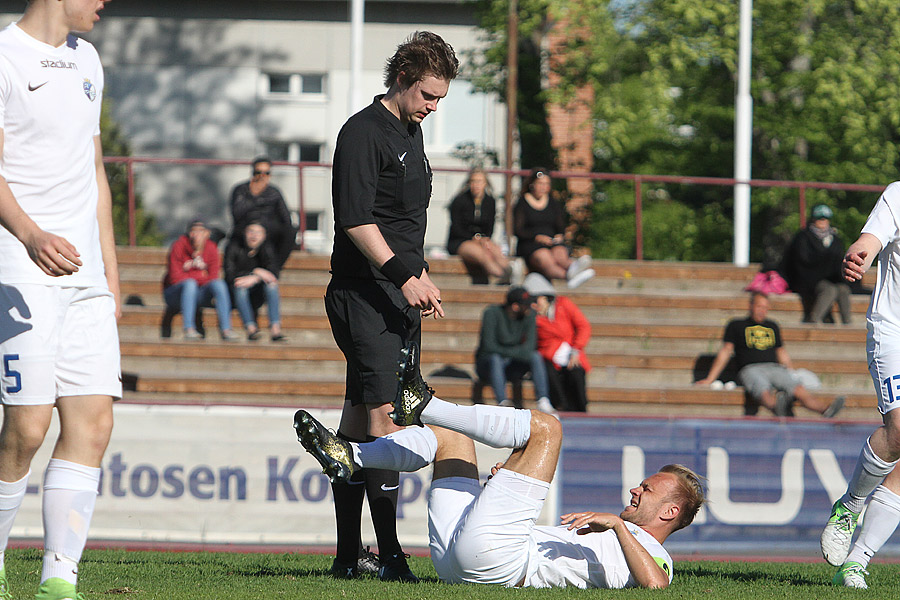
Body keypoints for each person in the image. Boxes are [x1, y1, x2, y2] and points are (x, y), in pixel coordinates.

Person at [294, 342, 705, 589]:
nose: (635, 490)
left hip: (502, 563)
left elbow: (656, 584)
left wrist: (617, 526)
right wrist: (502, 479)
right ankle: (354, 457)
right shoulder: (627, 540)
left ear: (671, 512)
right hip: (463, 561)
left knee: (549, 429)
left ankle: (427, 405)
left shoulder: (653, 553)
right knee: (452, 440)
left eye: (647, 490)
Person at [323, 31, 458, 582]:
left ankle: (348, 556)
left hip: (397, 293)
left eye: (440, 99)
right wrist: (404, 275)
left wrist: (419, 272)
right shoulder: (361, 132)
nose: (432, 107)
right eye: (428, 96)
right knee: (386, 420)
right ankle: (392, 556)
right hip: (365, 293)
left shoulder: (410, 130)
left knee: (358, 422)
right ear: (402, 79)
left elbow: (404, 223)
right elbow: (355, 218)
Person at [0, 1, 120, 598]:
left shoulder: (88, 58)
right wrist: (30, 234)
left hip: (86, 279)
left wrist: (111, 274)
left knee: (94, 424)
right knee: (26, 428)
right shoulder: (3, 57)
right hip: (19, 271)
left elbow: (95, 169)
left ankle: (58, 579)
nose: (103, 3)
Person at [820, 182, 900, 589]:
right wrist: (861, 255)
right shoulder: (899, 195)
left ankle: (856, 562)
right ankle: (850, 506)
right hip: (894, 331)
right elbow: (871, 237)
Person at [695, 292, 844, 418]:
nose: (762, 311)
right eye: (759, 306)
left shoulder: (772, 326)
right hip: (750, 368)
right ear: (751, 306)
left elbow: (780, 351)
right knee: (763, 390)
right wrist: (710, 379)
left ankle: (825, 410)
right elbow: (726, 351)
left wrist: (790, 371)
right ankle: (777, 408)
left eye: (765, 308)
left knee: (797, 389)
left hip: (774, 368)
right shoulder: (736, 325)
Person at [474, 286, 554, 414]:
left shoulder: (529, 315)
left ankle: (543, 400)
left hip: (513, 364)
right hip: (488, 366)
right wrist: (518, 352)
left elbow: (529, 348)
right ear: (515, 306)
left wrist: (509, 352)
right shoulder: (492, 313)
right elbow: (488, 347)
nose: (530, 307)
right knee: (495, 359)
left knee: (535, 356)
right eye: (526, 304)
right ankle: (503, 402)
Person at [513, 168, 594, 289]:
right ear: (532, 184)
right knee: (546, 258)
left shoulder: (552, 202)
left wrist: (559, 235)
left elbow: (560, 226)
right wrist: (537, 237)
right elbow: (518, 230)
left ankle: (574, 268)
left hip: (552, 241)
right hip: (531, 243)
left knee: (560, 254)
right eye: (540, 184)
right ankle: (569, 276)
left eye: (546, 184)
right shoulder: (522, 203)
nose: (543, 187)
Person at [523, 273, 591, 412]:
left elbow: (583, 326)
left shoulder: (564, 305)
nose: (535, 304)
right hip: (548, 358)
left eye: (538, 300)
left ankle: (581, 409)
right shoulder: (531, 318)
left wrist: (576, 349)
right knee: (548, 372)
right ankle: (560, 407)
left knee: (576, 373)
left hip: (571, 355)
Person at [163, 218, 239, 341]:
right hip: (175, 294)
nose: (196, 235)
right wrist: (201, 274)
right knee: (190, 284)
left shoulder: (211, 248)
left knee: (219, 284)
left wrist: (191, 272)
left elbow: (213, 276)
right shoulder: (178, 246)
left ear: (207, 234)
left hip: (200, 294)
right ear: (188, 233)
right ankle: (189, 329)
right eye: (193, 231)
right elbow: (174, 278)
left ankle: (226, 329)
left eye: (200, 231)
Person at [782, 204, 851, 324]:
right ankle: (815, 320)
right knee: (829, 289)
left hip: (831, 278)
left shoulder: (835, 239)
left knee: (843, 289)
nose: (822, 221)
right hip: (808, 280)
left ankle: (848, 323)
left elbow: (839, 260)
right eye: (819, 218)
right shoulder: (803, 237)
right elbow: (802, 262)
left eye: (825, 218)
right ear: (813, 219)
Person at [229, 157, 296, 270]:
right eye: (258, 172)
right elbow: (236, 214)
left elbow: (286, 218)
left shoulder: (274, 192)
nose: (262, 176)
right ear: (252, 173)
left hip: (268, 229)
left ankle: (274, 269)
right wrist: (254, 196)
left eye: (266, 173)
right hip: (247, 227)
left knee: (291, 231)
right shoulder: (241, 190)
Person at [446, 167, 510, 284]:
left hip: (481, 238)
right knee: (483, 254)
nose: (476, 185)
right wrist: (474, 238)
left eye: (479, 181)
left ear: (485, 183)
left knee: (495, 250)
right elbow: (456, 227)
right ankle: (500, 276)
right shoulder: (459, 201)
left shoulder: (490, 201)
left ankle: (509, 272)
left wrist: (484, 238)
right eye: (473, 181)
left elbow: (490, 226)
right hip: (461, 240)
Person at [223, 221, 285, 342]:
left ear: (264, 235)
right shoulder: (233, 247)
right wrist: (255, 272)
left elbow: (273, 273)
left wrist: (256, 276)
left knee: (272, 286)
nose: (254, 235)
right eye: (251, 231)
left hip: (259, 291)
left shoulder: (267, 248)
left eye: (258, 232)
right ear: (245, 233)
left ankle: (275, 328)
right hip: (237, 291)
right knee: (240, 288)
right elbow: (230, 274)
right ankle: (251, 328)